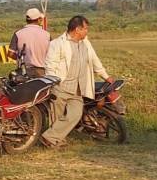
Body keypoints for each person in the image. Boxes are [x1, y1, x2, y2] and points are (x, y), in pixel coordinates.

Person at [41, 15, 114, 148]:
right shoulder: (57, 44)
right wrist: (54, 83)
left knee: (75, 115)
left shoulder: (85, 43)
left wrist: (106, 76)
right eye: (85, 29)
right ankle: (55, 141)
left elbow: (94, 60)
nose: (87, 31)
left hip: (78, 88)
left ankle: (49, 137)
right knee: (56, 117)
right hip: (61, 86)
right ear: (77, 29)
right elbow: (50, 66)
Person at [8, 8, 51, 77]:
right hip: (42, 72)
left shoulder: (18, 33)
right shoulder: (47, 35)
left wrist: (20, 58)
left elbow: (10, 54)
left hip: (23, 71)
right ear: (39, 19)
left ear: (26, 20)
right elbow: (51, 54)